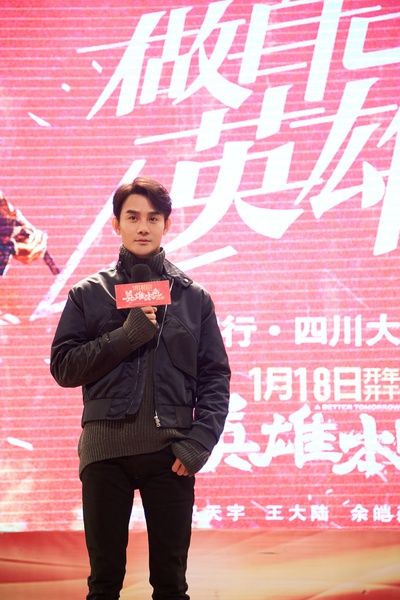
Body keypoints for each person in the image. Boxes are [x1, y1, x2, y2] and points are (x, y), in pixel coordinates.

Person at [50, 176, 231, 600]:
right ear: (116, 224)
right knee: (104, 583)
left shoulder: (193, 298)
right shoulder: (88, 294)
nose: (143, 227)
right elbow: (64, 367)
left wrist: (199, 441)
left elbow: (215, 377)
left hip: (170, 455)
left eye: (153, 218)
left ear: (167, 224)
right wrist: (125, 336)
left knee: (171, 585)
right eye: (132, 217)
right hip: (105, 453)